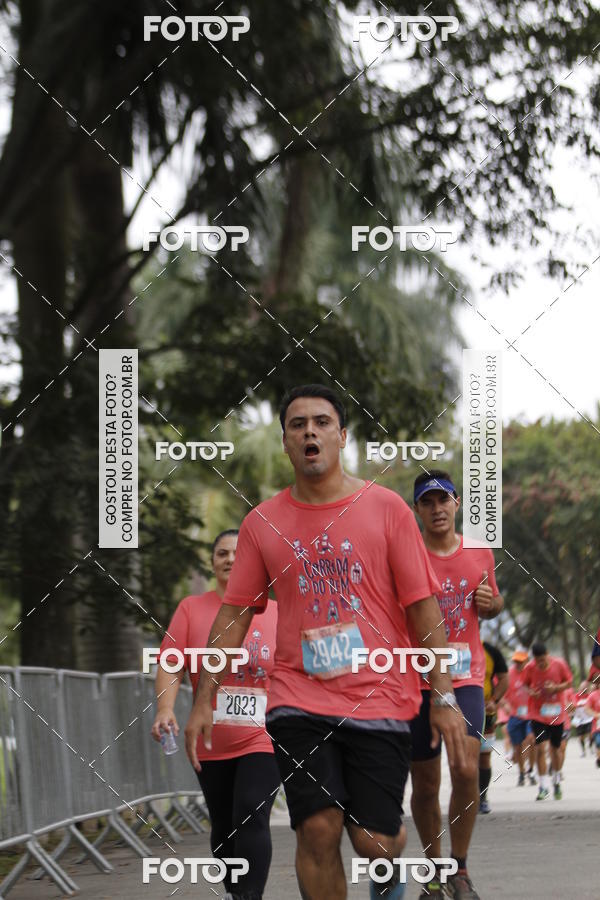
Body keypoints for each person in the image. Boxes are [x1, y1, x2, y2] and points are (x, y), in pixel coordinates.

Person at [184, 384, 467, 900]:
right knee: (317, 828)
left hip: (381, 695)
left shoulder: (387, 509)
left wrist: (444, 695)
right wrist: (205, 697)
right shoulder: (262, 523)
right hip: (298, 698)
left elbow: (422, 607)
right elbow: (235, 614)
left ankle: (390, 864)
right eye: (297, 425)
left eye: (321, 422)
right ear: (286, 442)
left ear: (342, 436)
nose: (309, 431)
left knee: (376, 842)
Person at [151, 530, 280, 900]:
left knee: (251, 810)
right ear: (212, 563)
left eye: (239, 552)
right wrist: (165, 708)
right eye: (221, 553)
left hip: (265, 734)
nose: (230, 559)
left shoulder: (277, 610)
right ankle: (234, 891)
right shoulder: (192, 608)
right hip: (209, 737)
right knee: (224, 823)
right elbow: (170, 662)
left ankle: (248, 897)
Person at [409, 470, 504, 900]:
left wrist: (492, 603)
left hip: (465, 675)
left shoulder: (479, 551)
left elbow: (494, 601)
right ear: (417, 510)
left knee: (466, 769)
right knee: (426, 783)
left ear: (457, 503)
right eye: (427, 502)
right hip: (417, 678)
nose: (437, 509)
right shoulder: (407, 554)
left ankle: (459, 869)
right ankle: (433, 873)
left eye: (443, 500)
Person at [522, 642, 572, 800]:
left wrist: (556, 688)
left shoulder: (559, 664)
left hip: (557, 713)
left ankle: (556, 781)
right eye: (538, 661)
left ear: (548, 654)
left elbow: (569, 682)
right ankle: (543, 787)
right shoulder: (530, 668)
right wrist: (531, 692)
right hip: (538, 714)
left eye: (543, 660)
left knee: (555, 750)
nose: (541, 664)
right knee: (540, 748)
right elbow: (525, 685)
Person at [478, 641, 508, 814]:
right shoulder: (448, 646)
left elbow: (504, 678)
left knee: (483, 757)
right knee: (463, 758)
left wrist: (494, 700)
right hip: (459, 713)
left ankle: (482, 797)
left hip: (486, 713)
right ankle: (465, 797)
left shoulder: (490, 650)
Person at [504, 650, 536, 786]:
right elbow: (502, 694)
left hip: (531, 714)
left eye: (520, 661)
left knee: (532, 740)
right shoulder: (509, 674)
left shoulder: (532, 672)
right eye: (516, 661)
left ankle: (531, 771)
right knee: (518, 747)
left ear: (527, 661)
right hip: (515, 715)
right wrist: (504, 704)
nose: (517, 664)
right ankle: (522, 773)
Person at [571, 682, 594, 756]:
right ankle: (583, 751)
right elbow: (574, 704)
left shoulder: (590, 695)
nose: (583, 689)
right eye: (582, 687)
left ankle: (590, 746)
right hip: (579, 719)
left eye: (585, 687)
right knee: (581, 737)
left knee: (591, 734)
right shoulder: (576, 695)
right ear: (580, 688)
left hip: (589, 718)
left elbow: (592, 704)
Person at [584, 683, 600, 768]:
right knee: (599, 743)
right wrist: (596, 715)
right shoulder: (593, 695)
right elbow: (586, 709)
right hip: (598, 727)